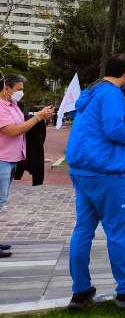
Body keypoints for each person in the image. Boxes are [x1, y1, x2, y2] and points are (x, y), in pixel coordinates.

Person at [65, 54, 125, 309]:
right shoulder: (112, 94)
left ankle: (80, 291)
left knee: (83, 230)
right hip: (105, 170)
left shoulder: (94, 91)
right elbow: (114, 130)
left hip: (82, 169)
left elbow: (101, 121)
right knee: (116, 232)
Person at [0, 74, 53, 258]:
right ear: (6, 88)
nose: (21, 93)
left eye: (22, 89)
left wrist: (40, 117)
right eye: (18, 89)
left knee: (1, 202)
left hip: (11, 159)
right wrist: (37, 117)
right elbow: (13, 130)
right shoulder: (1, 107)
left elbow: (23, 122)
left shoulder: (13, 106)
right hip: (2, 160)